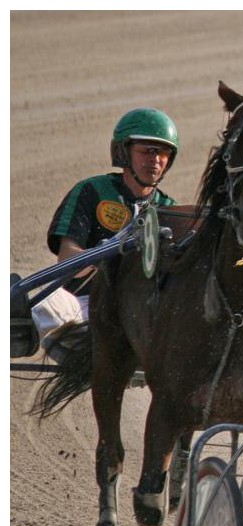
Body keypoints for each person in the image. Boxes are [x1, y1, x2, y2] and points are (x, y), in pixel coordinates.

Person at [33, 108, 179, 363]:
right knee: (42, 305)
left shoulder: (171, 210)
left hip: (137, 316)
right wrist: (109, 253)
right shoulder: (92, 191)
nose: (155, 160)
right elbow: (67, 261)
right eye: (147, 151)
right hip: (83, 305)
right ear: (123, 152)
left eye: (163, 153)